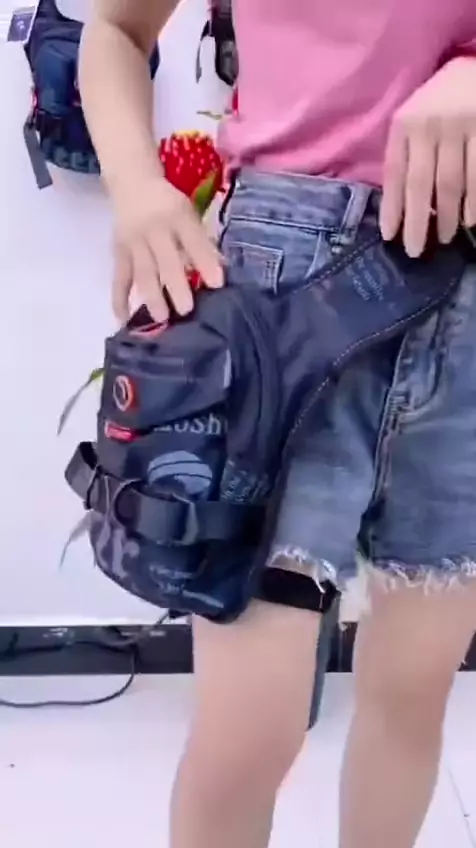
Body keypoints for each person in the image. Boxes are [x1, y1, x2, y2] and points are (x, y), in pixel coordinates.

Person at [78, 2, 476, 846]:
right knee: (250, 730)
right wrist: (138, 190)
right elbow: (115, 28)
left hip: (469, 288)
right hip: (292, 289)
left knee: (415, 692)